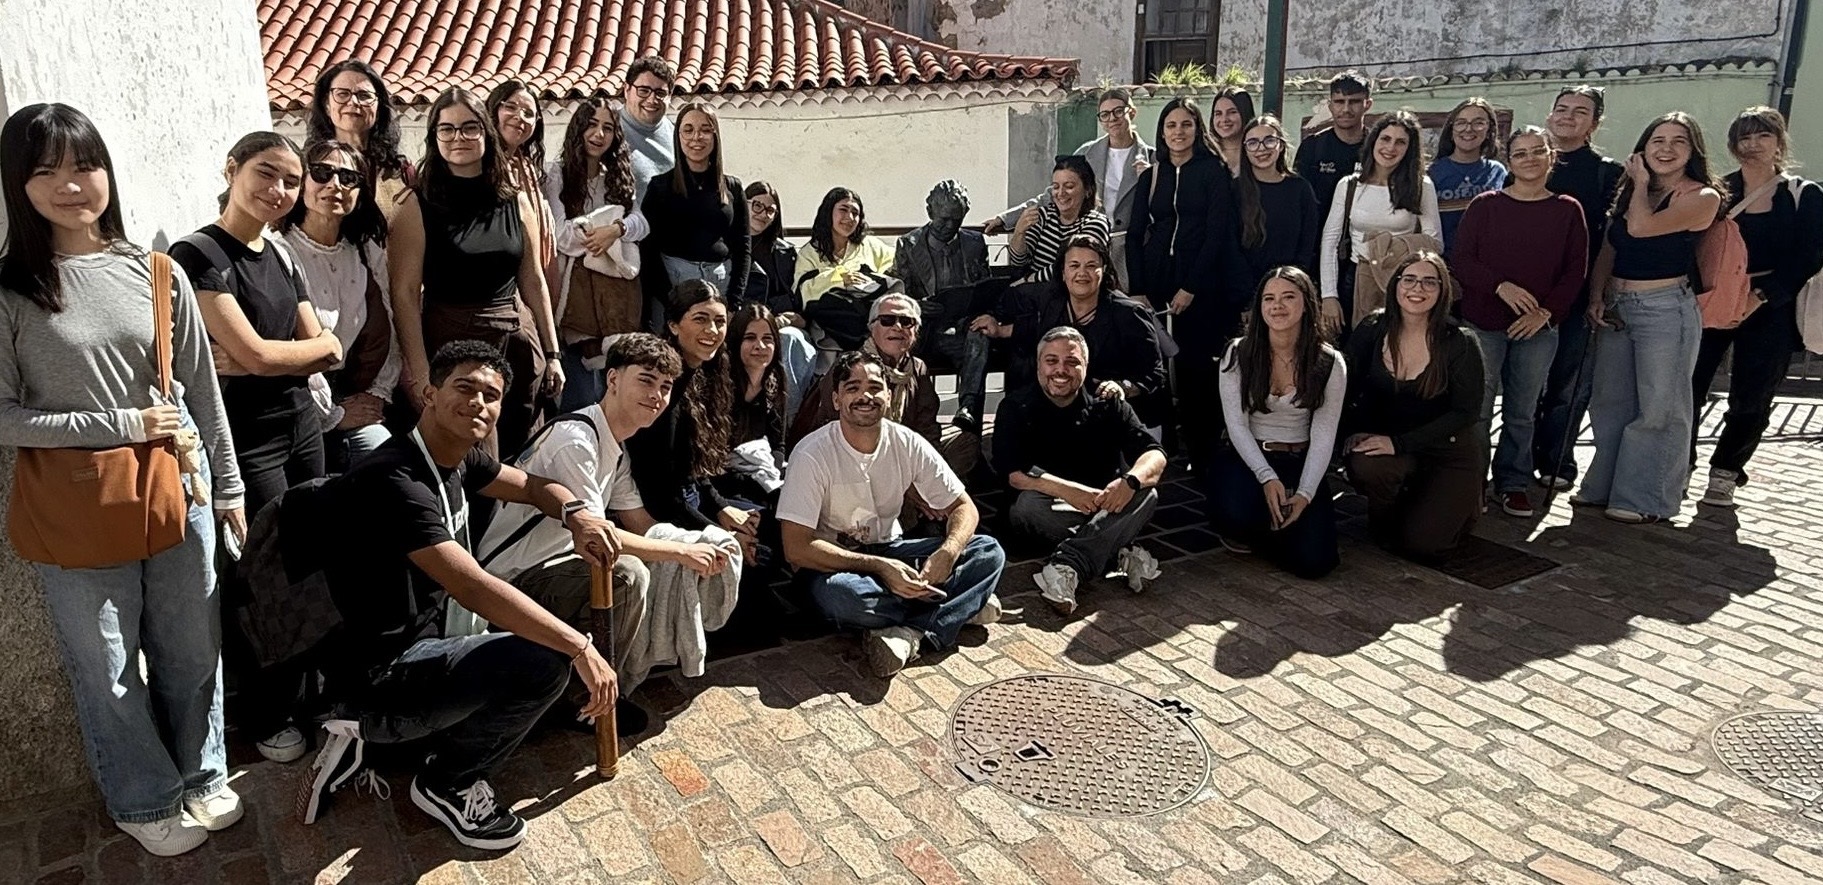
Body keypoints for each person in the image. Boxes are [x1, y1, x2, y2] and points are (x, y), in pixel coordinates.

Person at [0, 103, 245, 857]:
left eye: (85, 166)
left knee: (192, 648)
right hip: (75, 506)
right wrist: (120, 423)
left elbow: (201, 391)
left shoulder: (157, 272)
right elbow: (3, 417)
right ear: (17, 184)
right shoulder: (11, 291)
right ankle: (143, 797)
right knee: (106, 666)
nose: (71, 186)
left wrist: (229, 486)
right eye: (46, 171)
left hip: (178, 490)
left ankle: (202, 772)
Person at [295, 341, 618, 850]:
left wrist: (577, 514)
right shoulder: (397, 479)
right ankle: (445, 782)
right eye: (464, 388)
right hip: (377, 670)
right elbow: (471, 587)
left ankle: (374, 741)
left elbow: (534, 487)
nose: (478, 403)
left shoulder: (457, 459)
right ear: (429, 394)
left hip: (420, 638)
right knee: (544, 665)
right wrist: (580, 647)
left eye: (491, 395)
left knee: (534, 640)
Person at [173, 133, 341, 765]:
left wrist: (270, 359)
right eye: (266, 173)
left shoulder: (282, 253)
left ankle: (307, 691)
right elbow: (264, 353)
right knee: (263, 571)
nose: (279, 190)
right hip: (247, 439)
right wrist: (274, 358)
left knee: (312, 558)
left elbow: (328, 348)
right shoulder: (197, 255)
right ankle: (267, 711)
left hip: (302, 427)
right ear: (232, 170)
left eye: (290, 181)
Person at [476, 334, 737, 725]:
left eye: (666, 387)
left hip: (553, 569)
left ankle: (595, 688)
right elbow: (599, 538)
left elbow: (640, 524)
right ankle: (583, 705)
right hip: (508, 583)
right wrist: (683, 553)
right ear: (612, 379)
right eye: (646, 380)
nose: (657, 396)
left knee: (647, 563)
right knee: (627, 575)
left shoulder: (614, 447)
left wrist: (700, 542)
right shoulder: (576, 441)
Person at [778, 350, 1005, 677]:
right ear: (837, 399)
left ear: (889, 395)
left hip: (892, 549)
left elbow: (963, 507)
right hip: (833, 564)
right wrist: (881, 568)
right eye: (853, 388)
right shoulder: (812, 453)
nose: (865, 396)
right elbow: (797, 548)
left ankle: (911, 632)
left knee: (988, 551)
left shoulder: (906, 442)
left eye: (874, 387)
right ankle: (961, 604)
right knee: (845, 597)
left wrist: (948, 552)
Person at [389, 87, 563, 457]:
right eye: (447, 129)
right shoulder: (416, 205)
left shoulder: (515, 200)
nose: (459, 138)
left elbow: (533, 280)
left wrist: (553, 353)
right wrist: (420, 373)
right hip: (452, 346)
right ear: (434, 137)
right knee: (473, 457)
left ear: (486, 132)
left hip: (518, 344)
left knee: (525, 450)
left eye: (470, 128)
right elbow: (404, 294)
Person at [1578, 112, 1723, 524]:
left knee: (1661, 407)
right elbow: (1611, 246)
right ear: (1644, 147)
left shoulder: (1703, 196)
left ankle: (1644, 498)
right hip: (1619, 304)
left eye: (1679, 141)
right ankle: (1604, 487)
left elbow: (1641, 228)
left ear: (1693, 151)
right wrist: (1596, 295)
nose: (1666, 148)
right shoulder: (1631, 193)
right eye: (1658, 140)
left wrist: (1640, 182)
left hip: (1666, 308)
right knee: (1611, 403)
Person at [1452, 127, 1588, 517]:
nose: (1529, 159)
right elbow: (1462, 260)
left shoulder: (1567, 209)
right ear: (1509, 162)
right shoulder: (1485, 205)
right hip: (1484, 323)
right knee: (1478, 409)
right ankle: (1472, 482)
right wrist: (1500, 286)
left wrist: (1545, 312)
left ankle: (1512, 482)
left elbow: (1575, 270)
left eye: (1537, 151)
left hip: (1537, 329)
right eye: (1520, 153)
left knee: (1522, 411)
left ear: (1551, 157)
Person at [1690, 107, 1823, 507]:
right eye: (1744, 137)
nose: (1753, 145)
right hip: (1715, 299)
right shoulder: (1719, 191)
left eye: (1762, 136)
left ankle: (1726, 472)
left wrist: (1761, 297)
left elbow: (1809, 255)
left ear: (1779, 142)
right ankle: (1679, 463)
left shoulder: (1802, 194)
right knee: (1688, 386)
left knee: (1753, 395)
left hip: (1772, 306)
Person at [995, 327, 1167, 615]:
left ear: (1086, 366)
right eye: (1051, 361)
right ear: (1038, 365)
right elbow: (1013, 474)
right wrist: (1068, 491)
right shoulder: (1015, 406)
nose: (1060, 370)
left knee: (1147, 493)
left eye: (1072, 362)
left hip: (1103, 505)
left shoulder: (1109, 403)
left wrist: (1130, 481)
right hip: (1048, 506)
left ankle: (1067, 565)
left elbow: (1155, 454)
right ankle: (1117, 550)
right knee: (1027, 505)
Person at [1342, 252, 1486, 561]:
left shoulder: (1460, 342)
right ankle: (1402, 509)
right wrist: (1354, 430)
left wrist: (1399, 443)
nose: (1417, 288)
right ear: (1395, 285)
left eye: (1429, 282)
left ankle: (1462, 500)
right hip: (1393, 446)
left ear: (1442, 290)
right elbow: (1346, 384)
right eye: (1409, 279)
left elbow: (1466, 412)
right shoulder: (1373, 327)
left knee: (1424, 546)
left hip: (1448, 450)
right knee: (1367, 465)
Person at [1126, 97, 1244, 456]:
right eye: (1171, 125)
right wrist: (1139, 289)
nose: (1179, 132)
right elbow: (1134, 234)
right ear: (1162, 132)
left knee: (1196, 368)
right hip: (1156, 280)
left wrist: (1191, 287)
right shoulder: (1151, 175)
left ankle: (1201, 449)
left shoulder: (1213, 172)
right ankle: (1161, 446)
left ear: (1197, 129)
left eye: (1186, 124)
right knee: (1155, 365)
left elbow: (1216, 234)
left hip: (1201, 284)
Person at [1210, 267, 1344, 578]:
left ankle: (1286, 529)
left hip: (1298, 457)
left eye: (1288, 297)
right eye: (1269, 298)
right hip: (1249, 456)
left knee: (1316, 564)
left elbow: (1324, 433)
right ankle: (1265, 530)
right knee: (1236, 513)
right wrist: (1266, 477)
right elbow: (1237, 425)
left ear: (1306, 303)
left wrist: (1305, 492)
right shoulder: (1238, 353)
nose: (1277, 306)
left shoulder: (1329, 362)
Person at [277, 139, 402, 471]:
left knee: (391, 466)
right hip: (297, 404)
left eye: (348, 178)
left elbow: (387, 326)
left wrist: (378, 393)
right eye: (322, 173)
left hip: (354, 395)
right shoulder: (279, 252)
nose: (335, 185)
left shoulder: (364, 252)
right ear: (303, 181)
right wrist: (333, 415)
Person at [1533, 85, 1626, 490]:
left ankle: (1556, 460)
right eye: (1562, 108)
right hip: (1525, 294)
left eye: (1580, 111)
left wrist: (1597, 293)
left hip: (1577, 295)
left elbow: (1610, 240)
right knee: (1523, 385)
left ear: (1594, 123)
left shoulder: (1608, 172)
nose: (1568, 116)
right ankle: (1516, 460)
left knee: (1567, 384)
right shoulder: (1529, 162)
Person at [623, 281, 761, 554]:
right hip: (660, 514)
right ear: (674, 325)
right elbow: (661, 491)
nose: (712, 330)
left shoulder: (709, 373)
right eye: (700, 319)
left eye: (719, 322)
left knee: (764, 525)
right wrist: (719, 535)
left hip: (691, 500)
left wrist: (721, 507)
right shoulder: (662, 389)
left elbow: (691, 468)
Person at [974, 237, 1167, 430]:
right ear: (1063, 272)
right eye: (1074, 265)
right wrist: (999, 330)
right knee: (1012, 409)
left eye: (1091, 266)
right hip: (1069, 408)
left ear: (1104, 270)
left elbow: (1154, 374)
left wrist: (1122, 387)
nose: (1082, 273)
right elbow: (1034, 328)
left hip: (1117, 410)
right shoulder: (1052, 303)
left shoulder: (1130, 313)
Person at [790, 294, 980, 480]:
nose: (897, 327)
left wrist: (931, 470)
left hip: (902, 451)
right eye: (887, 320)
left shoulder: (917, 368)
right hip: (850, 456)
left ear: (916, 332)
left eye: (906, 321)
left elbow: (926, 426)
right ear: (872, 328)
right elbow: (833, 427)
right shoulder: (850, 366)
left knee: (965, 444)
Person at [543, 95, 649, 411]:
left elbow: (641, 224)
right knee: (579, 395)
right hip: (573, 298)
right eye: (591, 125)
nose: (598, 134)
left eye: (607, 128)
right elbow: (560, 235)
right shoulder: (557, 174)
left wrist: (614, 230)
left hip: (614, 300)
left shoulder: (616, 176)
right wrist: (598, 234)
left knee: (611, 394)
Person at [990, 88, 1155, 287]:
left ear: (1132, 112)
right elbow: (1052, 193)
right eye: (1104, 114)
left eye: (1118, 111)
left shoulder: (1152, 158)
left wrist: (1150, 180)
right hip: (1089, 243)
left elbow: (1160, 207)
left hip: (1133, 251)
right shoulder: (1087, 153)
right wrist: (1006, 218)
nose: (1112, 118)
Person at [1319, 111, 1442, 336]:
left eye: (1400, 142)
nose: (1390, 147)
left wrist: (1392, 248)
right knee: (1358, 346)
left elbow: (1434, 242)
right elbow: (1330, 241)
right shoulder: (1349, 185)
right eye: (1385, 138)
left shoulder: (1421, 185)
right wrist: (1329, 296)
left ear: (1409, 149)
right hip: (1355, 278)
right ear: (1373, 140)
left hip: (1402, 280)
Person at [896, 179, 993, 432]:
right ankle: (915, 426)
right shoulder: (909, 244)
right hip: (925, 331)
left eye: (956, 220)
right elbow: (899, 293)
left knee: (979, 336)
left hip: (962, 327)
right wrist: (917, 306)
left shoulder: (974, 243)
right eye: (944, 219)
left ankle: (968, 411)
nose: (950, 226)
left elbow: (984, 288)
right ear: (930, 212)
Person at [640, 102, 749, 312]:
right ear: (678, 136)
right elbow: (648, 248)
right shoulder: (660, 187)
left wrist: (734, 301)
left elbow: (743, 246)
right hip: (674, 286)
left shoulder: (733, 187)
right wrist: (670, 301)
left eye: (705, 130)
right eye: (688, 130)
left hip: (720, 286)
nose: (696, 137)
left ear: (715, 136)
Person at [742, 180, 817, 418]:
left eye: (770, 210)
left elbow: (795, 301)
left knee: (791, 340)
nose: (763, 214)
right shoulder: (726, 246)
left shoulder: (786, 253)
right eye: (757, 206)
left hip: (781, 326)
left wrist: (787, 318)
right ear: (743, 204)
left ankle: (788, 420)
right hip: (740, 322)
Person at [306, 60, 414, 217]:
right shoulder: (309, 167)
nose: (353, 102)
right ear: (327, 106)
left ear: (379, 108)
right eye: (342, 94)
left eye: (364, 96)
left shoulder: (400, 171)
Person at [1232, 115, 1322, 291]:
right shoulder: (1234, 190)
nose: (1261, 148)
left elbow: (1308, 243)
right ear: (1245, 150)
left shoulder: (1300, 189)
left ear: (1280, 145)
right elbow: (1230, 247)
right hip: (1242, 290)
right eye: (1253, 143)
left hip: (1290, 286)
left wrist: (1292, 282)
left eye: (1269, 140)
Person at [485, 80, 555, 277]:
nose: (519, 117)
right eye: (510, 107)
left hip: (530, 276)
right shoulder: (480, 166)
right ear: (494, 110)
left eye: (528, 113)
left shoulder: (527, 169)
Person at [722, 303, 790, 504]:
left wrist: (770, 473)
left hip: (762, 474)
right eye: (750, 338)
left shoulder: (775, 382)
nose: (759, 346)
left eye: (767, 339)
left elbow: (778, 444)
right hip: (724, 479)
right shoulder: (721, 383)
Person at [1008, 156, 1112, 284]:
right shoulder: (1044, 215)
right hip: (1033, 290)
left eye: (1069, 186)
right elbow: (1019, 261)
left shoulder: (1096, 223)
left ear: (1088, 190)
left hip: (1072, 290)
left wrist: (1028, 280)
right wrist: (1019, 233)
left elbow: (1069, 267)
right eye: (1056, 187)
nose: (1061, 193)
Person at [1429, 98, 1508, 251]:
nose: (1468, 129)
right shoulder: (1433, 173)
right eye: (1461, 123)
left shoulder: (1498, 172)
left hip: (1489, 258)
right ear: (1451, 130)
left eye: (1478, 123)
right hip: (1444, 260)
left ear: (1489, 130)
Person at [795, 187, 897, 305]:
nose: (850, 218)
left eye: (855, 213)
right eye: (843, 210)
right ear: (828, 212)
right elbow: (801, 293)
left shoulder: (872, 246)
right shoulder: (809, 253)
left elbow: (894, 273)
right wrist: (838, 279)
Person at [1294, 71, 1373, 222]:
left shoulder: (1378, 148)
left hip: (1364, 234)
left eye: (1354, 102)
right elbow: (1298, 201)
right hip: (1317, 233)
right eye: (1339, 102)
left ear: (1367, 105)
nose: (1346, 109)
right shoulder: (1312, 147)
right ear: (1330, 106)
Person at [1209, 87, 1258, 176]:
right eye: (1218, 113)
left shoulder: (1259, 153)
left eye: (1232, 112)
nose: (1224, 119)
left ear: (1245, 113)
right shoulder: (1205, 154)